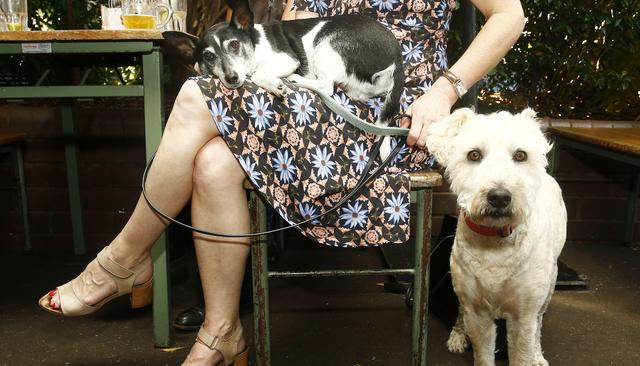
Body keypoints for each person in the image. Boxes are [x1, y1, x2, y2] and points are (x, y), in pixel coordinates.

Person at [38, 0, 525, 364]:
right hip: (304, 94)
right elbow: (290, 29)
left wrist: (447, 88)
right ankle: (221, 331)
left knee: (193, 97)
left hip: (390, 105)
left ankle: (122, 261)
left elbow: (510, 15)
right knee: (212, 162)